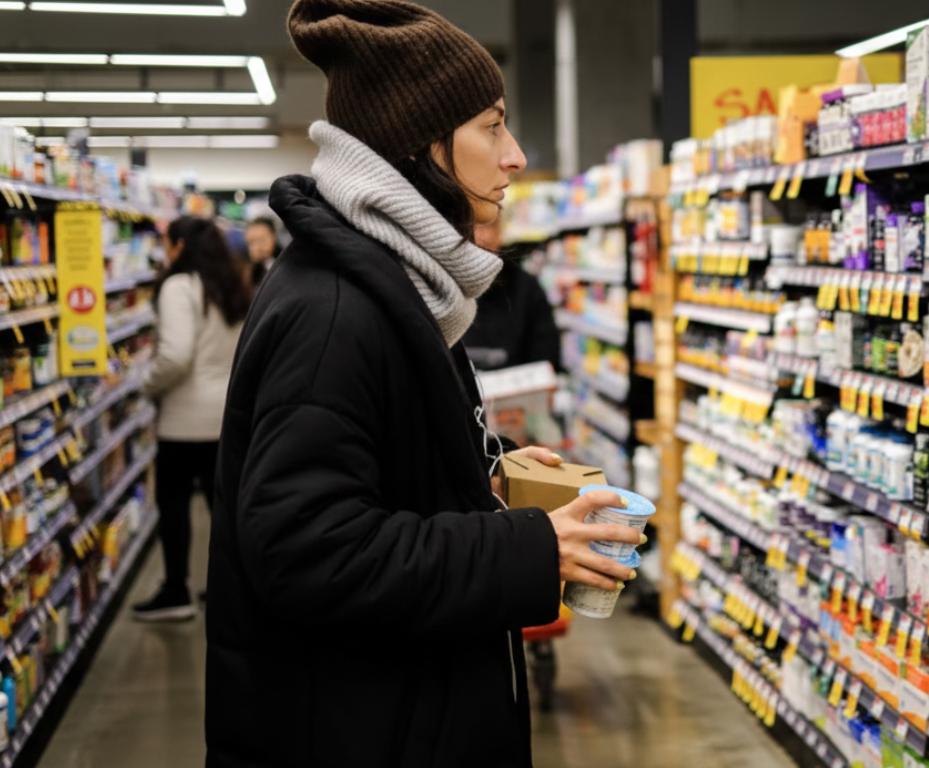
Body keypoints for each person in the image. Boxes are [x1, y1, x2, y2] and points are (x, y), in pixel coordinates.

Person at [206, 2, 641, 767]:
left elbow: (379, 468)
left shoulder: (399, 286)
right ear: (419, 146)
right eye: (492, 126)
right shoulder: (335, 313)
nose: (515, 155)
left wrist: (486, 472)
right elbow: (306, 551)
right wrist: (528, 550)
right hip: (359, 732)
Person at [133, 216, 250, 621]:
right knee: (225, 512)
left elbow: (176, 355)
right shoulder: (231, 285)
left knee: (175, 507)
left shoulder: (179, 286)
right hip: (226, 416)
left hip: (185, 420)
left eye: (167, 243)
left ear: (180, 246)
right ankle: (231, 589)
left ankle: (176, 590)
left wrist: (148, 385)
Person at [464, 221, 561, 371]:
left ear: (499, 232)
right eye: (469, 225)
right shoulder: (437, 288)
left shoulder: (527, 288)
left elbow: (546, 357)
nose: (478, 235)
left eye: (485, 224)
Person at [243, 217, 281, 287]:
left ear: (274, 237)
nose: (257, 248)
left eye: (262, 241)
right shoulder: (245, 273)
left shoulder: (286, 265)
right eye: (251, 243)